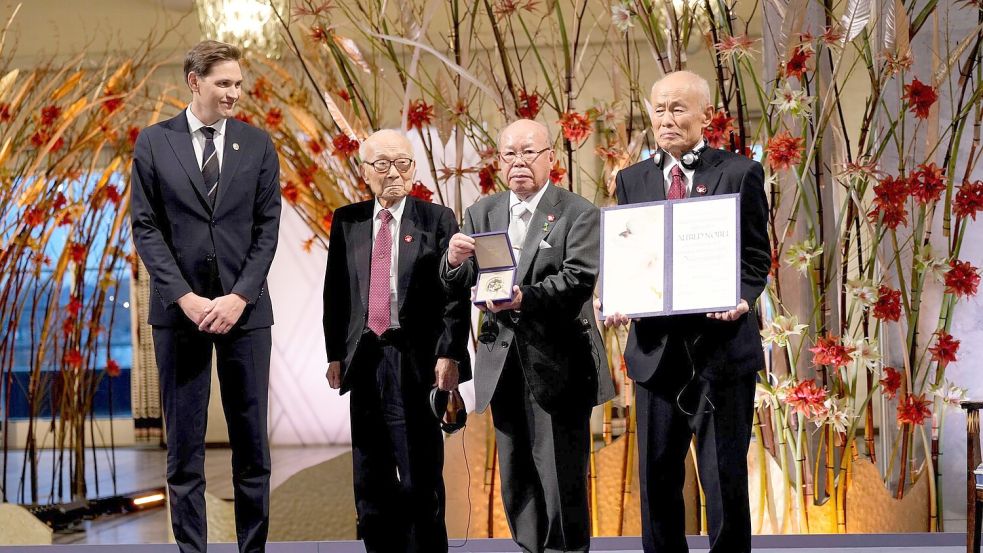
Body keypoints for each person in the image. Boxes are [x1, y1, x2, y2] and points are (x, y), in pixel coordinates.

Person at [602, 70, 770, 553]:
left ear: (704, 116)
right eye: (659, 109)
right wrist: (613, 296)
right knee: (656, 482)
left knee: (724, 480)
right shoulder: (632, 179)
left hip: (720, 353)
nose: (667, 119)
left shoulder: (739, 172)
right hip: (654, 356)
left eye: (678, 108)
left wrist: (741, 296)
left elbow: (756, 257)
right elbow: (631, 254)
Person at [130, 40, 281, 553]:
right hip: (180, 316)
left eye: (238, 84)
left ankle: (252, 548)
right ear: (194, 82)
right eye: (224, 84)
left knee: (252, 446)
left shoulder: (258, 145)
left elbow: (267, 231)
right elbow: (146, 228)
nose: (234, 93)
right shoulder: (154, 142)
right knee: (185, 451)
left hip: (247, 315)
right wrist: (185, 298)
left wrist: (239, 296)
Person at [441, 119, 615, 553]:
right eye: (509, 154)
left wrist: (524, 298)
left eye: (529, 152)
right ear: (500, 161)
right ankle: (528, 548)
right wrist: (452, 259)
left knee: (561, 478)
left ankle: (566, 551)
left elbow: (578, 279)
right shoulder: (482, 211)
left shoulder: (577, 211)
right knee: (516, 477)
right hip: (500, 364)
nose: (519, 162)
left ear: (551, 158)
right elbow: (462, 280)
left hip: (558, 363)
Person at [323, 129, 471, 553]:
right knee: (370, 480)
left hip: (416, 361)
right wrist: (335, 354)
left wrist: (450, 352)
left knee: (420, 477)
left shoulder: (436, 219)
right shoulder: (347, 220)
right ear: (364, 170)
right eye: (383, 164)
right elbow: (336, 293)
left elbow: (454, 294)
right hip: (364, 360)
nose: (394, 173)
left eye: (403, 163)